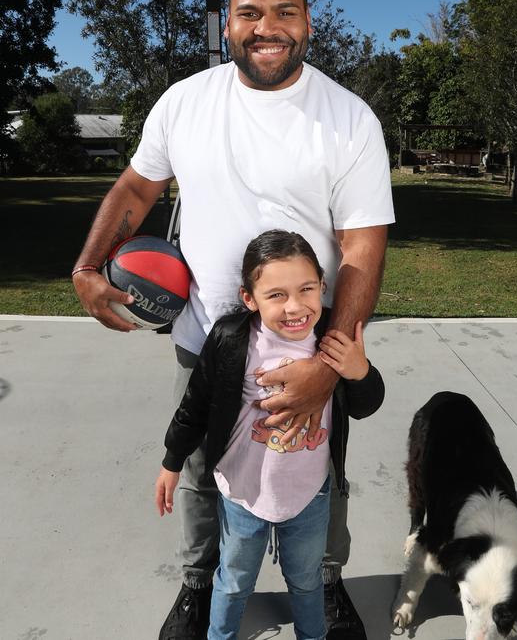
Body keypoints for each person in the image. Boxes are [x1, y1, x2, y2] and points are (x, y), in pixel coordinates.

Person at [72, 0, 395, 640]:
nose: (267, 27)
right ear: (228, 25)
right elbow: (135, 189)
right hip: (206, 339)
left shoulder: (348, 120)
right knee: (200, 467)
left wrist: (330, 364)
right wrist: (86, 262)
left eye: (284, 11)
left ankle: (325, 581)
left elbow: (363, 250)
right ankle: (198, 586)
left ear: (308, 22)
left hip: (308, 346)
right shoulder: (186, 102)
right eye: (250, 13)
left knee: (321, 468)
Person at [155, 230, 385, 640]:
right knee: (233, 582)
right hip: (243, 495)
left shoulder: (334, 339)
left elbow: (367, 403)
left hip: (310, 495)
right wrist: (172, 462)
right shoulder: (231, 340)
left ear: (323, 287)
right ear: (249, 298)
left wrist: (359, 371)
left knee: (308, 581)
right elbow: (195, 406)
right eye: (276, 295)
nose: (295, 306)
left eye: (306, 289)